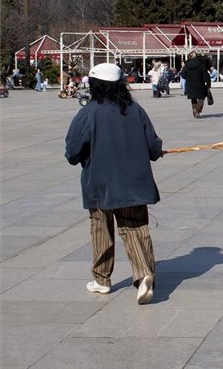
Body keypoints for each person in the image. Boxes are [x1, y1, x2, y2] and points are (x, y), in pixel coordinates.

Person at [64, 62, 162, 305]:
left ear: (95, 86)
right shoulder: (135, 110)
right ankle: (143, 274)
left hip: (100, 182)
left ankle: (101, 279)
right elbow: (153, 147)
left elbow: (73, 151)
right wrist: (158, 150)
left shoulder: (88, 112)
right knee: (136, 228)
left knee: (101, 229)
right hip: (135, 182)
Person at [180, 51, 211, 118]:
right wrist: (208, 84)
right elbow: (206, 75)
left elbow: (183, 75)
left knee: (193, 98)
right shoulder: (200, 64)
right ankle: (196, 110)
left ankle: (195, 112)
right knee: (201, 99)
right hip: (200, 83)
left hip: (190, 84)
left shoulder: (187, 65)